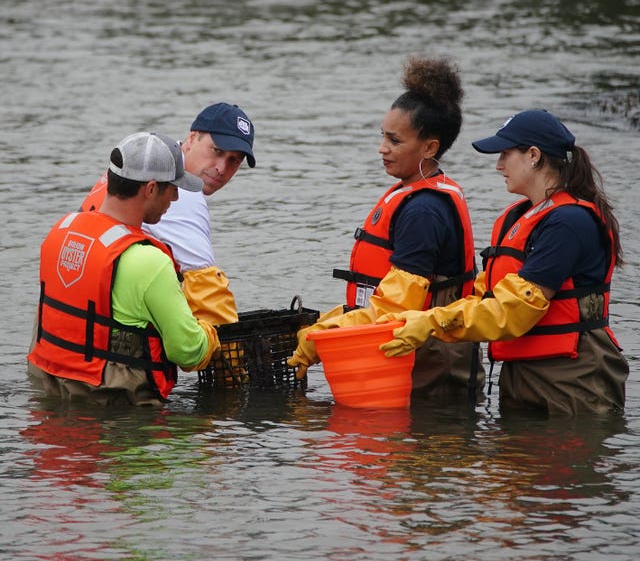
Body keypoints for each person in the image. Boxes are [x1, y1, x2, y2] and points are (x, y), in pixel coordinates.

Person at [379, 109, 629, 416]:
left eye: (505, 155)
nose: (498, 166)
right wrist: (415, 320)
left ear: (534, 156)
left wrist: (434, 322)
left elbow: (515, 311)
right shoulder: (517, 217)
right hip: (521, 374)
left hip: (572, 378)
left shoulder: (569, 222)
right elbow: (485, 296)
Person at [288, 56, 484, 401]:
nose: (382, 148)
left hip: (429, 369)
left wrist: (324, 335)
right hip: (406, 360)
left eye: (395, 141)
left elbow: (396, 308)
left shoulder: (425, 210)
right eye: (383, 137)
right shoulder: (412, 194)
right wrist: (327, 324)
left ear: (430, 147)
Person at [28, 132, 223, 406]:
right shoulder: (149, 262)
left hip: (51, 397)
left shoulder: (60, 232)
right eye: (173, 188)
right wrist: (210, 333)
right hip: (116, 417)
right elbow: (188, 352)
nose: (176, 198)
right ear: (151, 189)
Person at [81, 102, 256, 329]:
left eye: (234, 160)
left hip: (62, 333)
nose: (222, 168)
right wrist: (237, 356)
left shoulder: (143, 159)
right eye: (217, 151)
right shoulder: (183, 195)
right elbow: (208, 297)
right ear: (192, 138)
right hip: (105, 348)